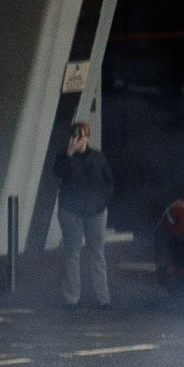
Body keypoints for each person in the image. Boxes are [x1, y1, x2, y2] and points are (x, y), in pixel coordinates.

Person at [50, 122, 113, 309]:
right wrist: (69, 154)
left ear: (87, 137)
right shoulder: (64, 156)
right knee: (72, 253)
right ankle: (71, 299)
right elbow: (57, 172)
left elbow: (109, 180)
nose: (79, 140)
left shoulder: (98, 157)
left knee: (97, 253)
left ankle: (104, 299)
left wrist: (103, 201)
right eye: (76, 136)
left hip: (95, 211)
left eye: (82, 136)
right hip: (71, 211)